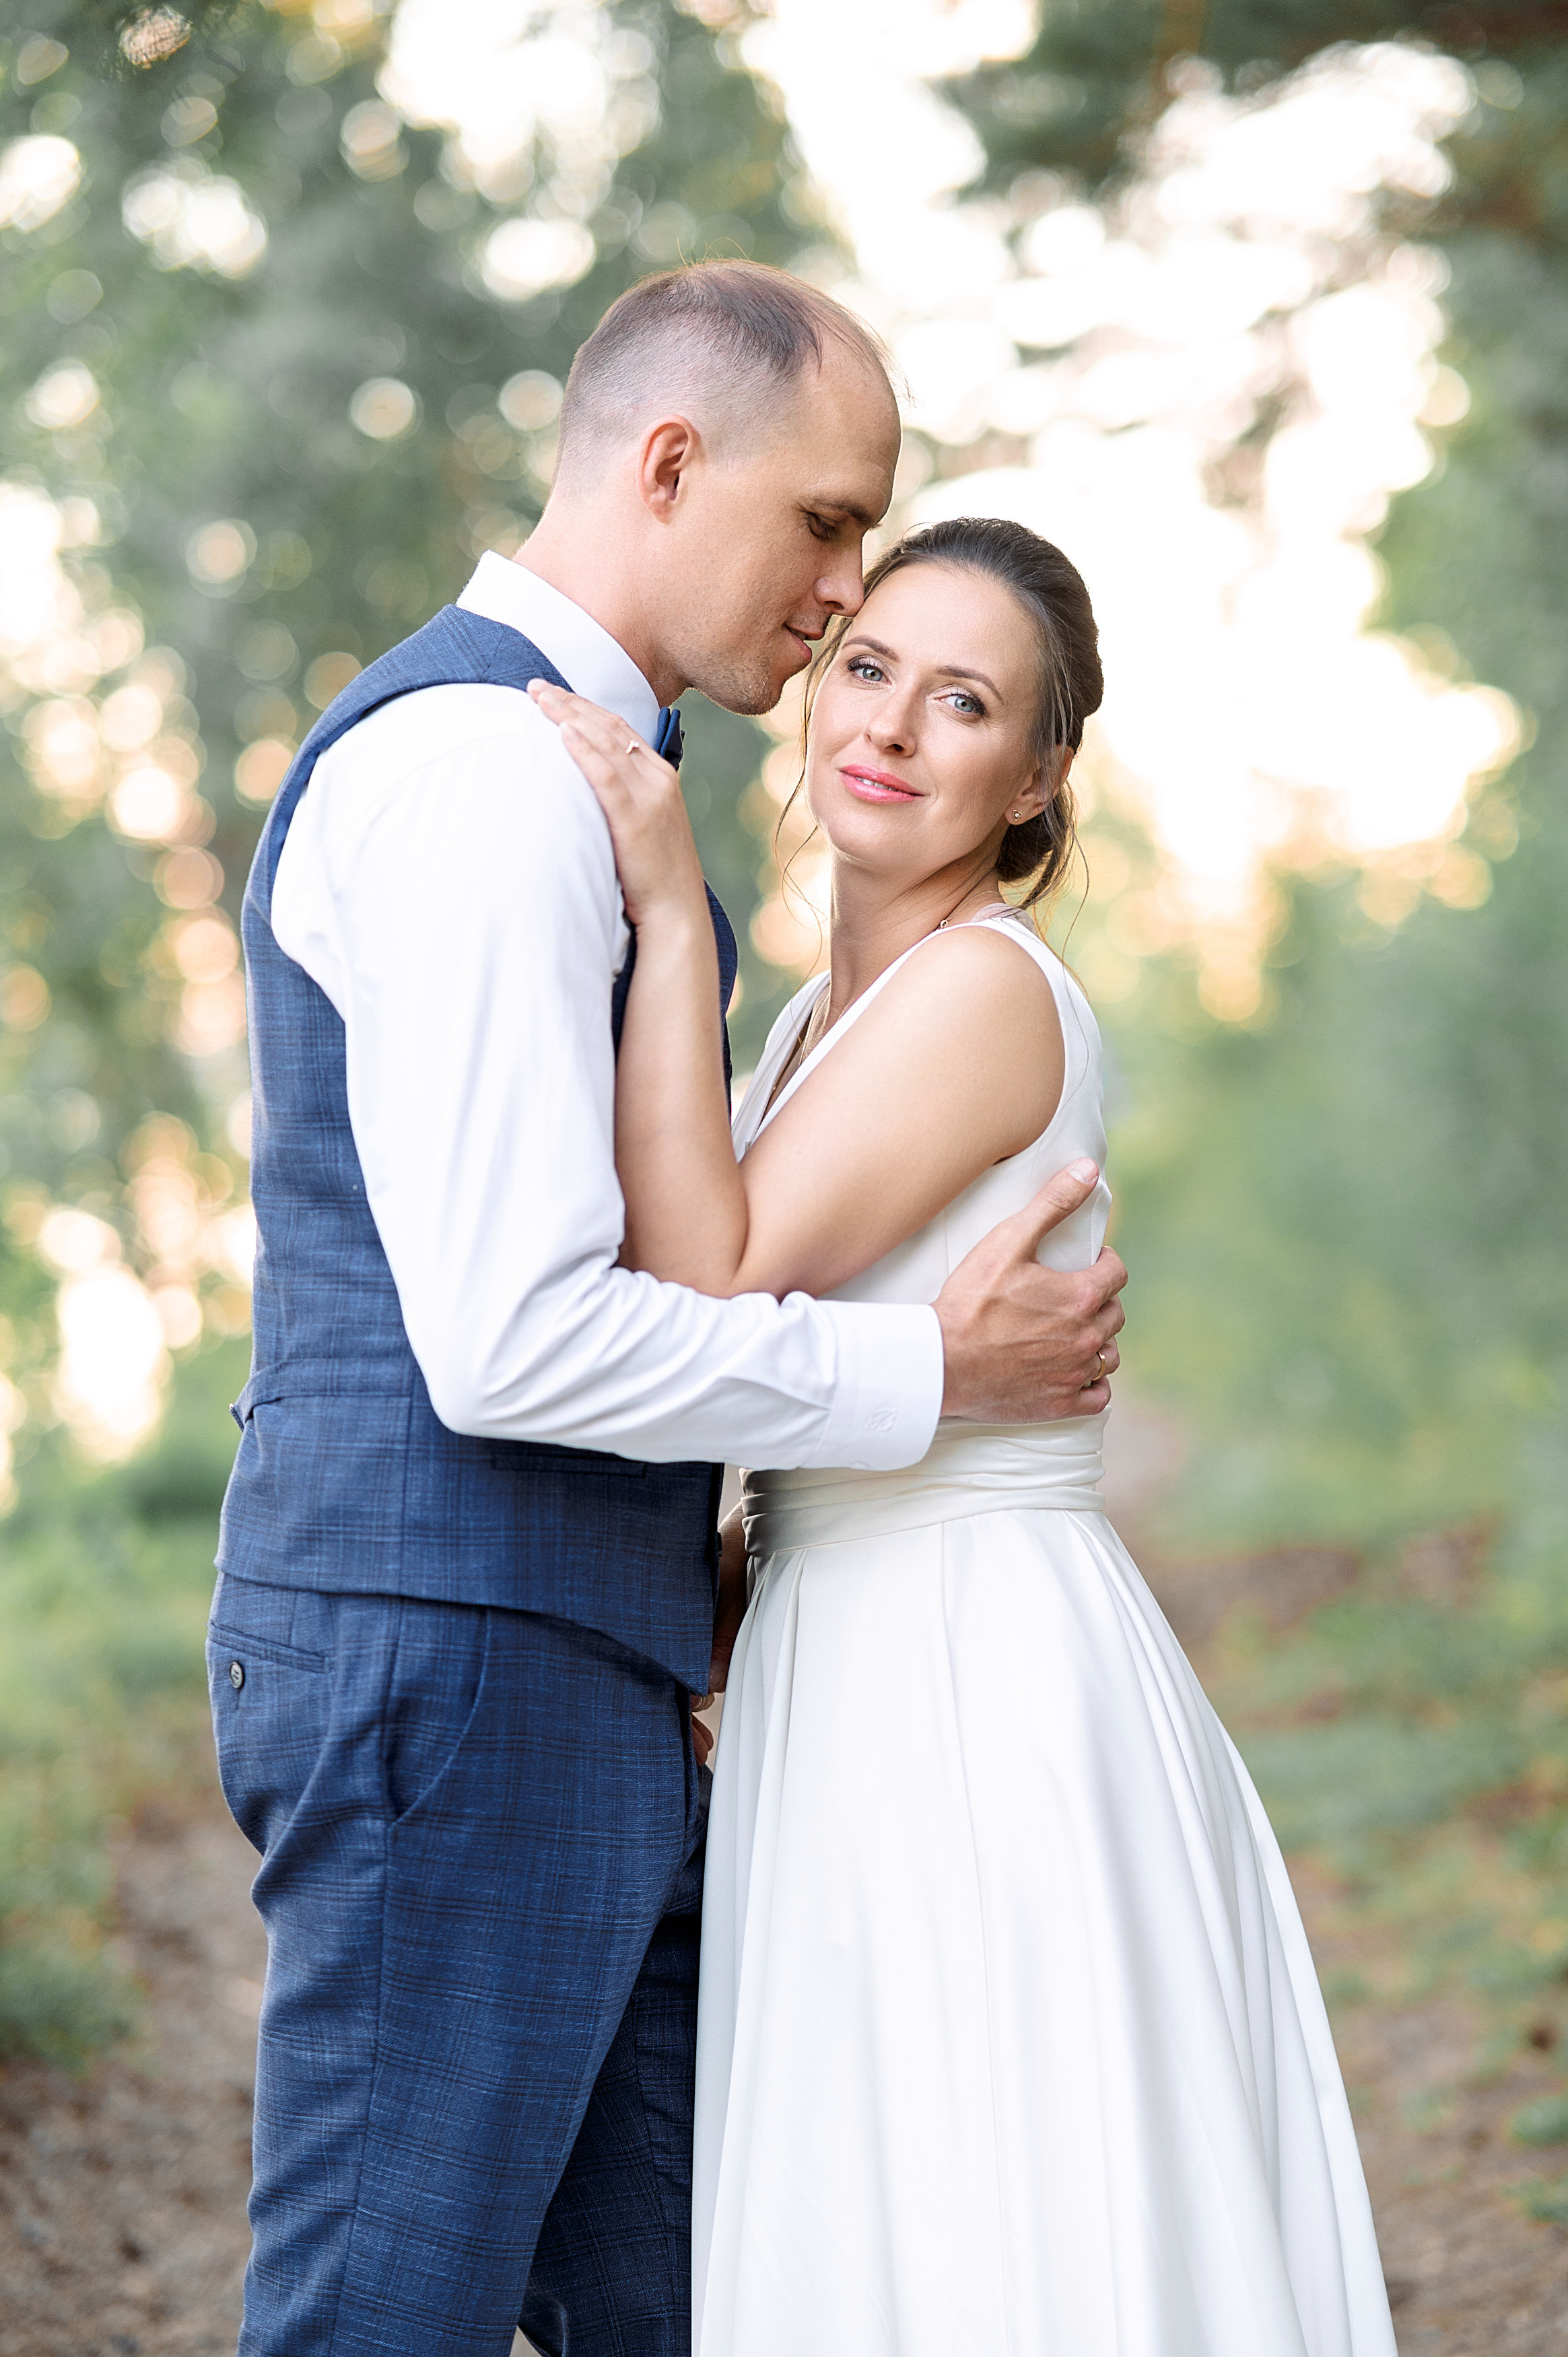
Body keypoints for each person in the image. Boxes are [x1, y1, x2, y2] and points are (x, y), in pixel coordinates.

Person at [208, 264, 1126, 2357]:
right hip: (458, 1664)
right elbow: (517, 1336)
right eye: (827, 525)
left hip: (577, 1670)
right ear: (669, 460)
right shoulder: (480, 773)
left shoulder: (597, 787)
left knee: (713, 2299)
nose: (840, 592)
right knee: (388, 2310)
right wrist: (930, 1375)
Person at [533, 514, 1397, 2357]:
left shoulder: (983, 989)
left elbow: (718, 1267)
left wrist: (668, 903)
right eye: (869, 669)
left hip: (969, 1677)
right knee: (883, 2216)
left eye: (966, 701)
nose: (895, 729)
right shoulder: (803, 1036)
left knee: (997, 2201)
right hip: (839, 1660)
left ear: (1037, 776)